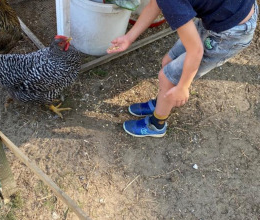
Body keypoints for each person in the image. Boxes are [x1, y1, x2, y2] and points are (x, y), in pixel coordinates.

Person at [107, 0, 258, 138]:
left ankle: (156, 124)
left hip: (231, 34)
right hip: (220, 15)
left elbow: (196, 51)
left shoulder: (172, 2)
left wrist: (183, 87)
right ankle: (162, 101)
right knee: (168, 62)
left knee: (168, 77)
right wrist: (129, 38)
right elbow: (154, 5)